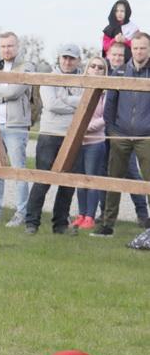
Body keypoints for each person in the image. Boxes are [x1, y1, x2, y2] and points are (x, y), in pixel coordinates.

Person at [93, 32, 150, 238]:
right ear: (131, 49)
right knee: (113, 179)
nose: (139, 51)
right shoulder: (120, 72)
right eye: (135, 48)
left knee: (149, 180)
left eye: (143, 48)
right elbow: (110, 105)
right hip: (120, 135)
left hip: (146, 137)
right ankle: (107, 225)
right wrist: (112, 131)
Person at [24, 44, 82, 235]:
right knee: (42, 180)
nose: (67, 62)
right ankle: (31, 223)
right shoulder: (49, 78)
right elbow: (51, 104)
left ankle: (60, 224)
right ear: (59, 58)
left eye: (71, 58)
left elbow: (87, 102)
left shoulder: (84, 80)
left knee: (68, 182)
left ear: (78, 60)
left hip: (73, 136)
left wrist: (64, 99)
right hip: (50, 135)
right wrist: (75, 104)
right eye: (65, 57)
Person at [0, 32, 34, 227]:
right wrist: (2, 93)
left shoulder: (26, 66)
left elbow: (14, 92)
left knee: (18, 170)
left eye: (10, 46)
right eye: (3, 46)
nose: (6, 49)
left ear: (17, 46)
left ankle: (21, 212)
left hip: (16, 125)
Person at [71, 57, 108, 230]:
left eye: (100, 67)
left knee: (91, 178)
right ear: (87, 69)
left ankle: (90, 216)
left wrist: (84, 127)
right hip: (78, 141)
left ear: (104, 72)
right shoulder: (79, 89)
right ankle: (81, 214)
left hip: (95, 141)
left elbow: (106, 117)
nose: (96, 69)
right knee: (80, 179)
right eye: (92, 66)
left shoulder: (106, 93)